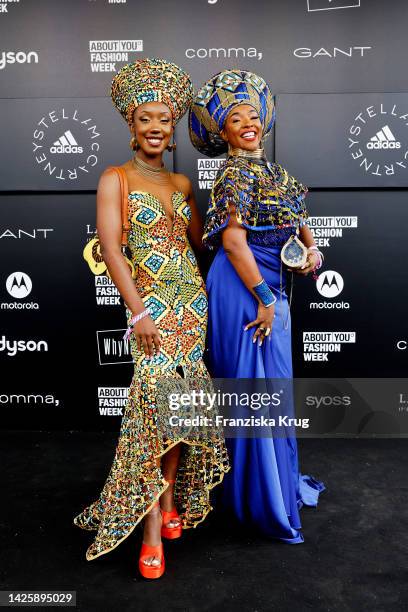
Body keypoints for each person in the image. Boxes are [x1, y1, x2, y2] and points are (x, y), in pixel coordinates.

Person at [74, 58, 229, 578]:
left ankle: (167, 507)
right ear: (131, 125)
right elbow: (112, 251)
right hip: (151, 307)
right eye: (145, 118)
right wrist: (138, 312)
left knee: (181, 410)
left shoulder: (184, 184)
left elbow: (203, 246)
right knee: (151, 414)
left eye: (164, 118)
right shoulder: (114, 178)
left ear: (173, 126)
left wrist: (263, 219)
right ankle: (147, 528)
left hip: (191, 303)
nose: (156, 127)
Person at [189, 69, 325, 543]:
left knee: (273, 389)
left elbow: (301, 224)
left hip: (273, 285)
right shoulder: (232, 174)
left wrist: (313, 251)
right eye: (234, 119)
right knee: (252, 390)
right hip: (243, 287)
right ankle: (258, 502)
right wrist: (265, 299)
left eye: (252, 115)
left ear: (263, 122)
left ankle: (276, 487)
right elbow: (231, 243)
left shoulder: (276, 172)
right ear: (222, 132)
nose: (246, 123)